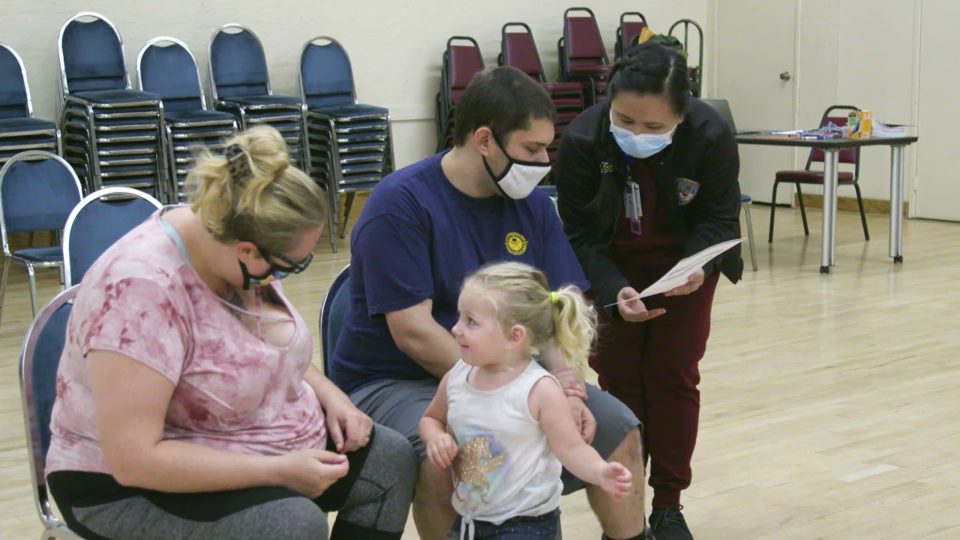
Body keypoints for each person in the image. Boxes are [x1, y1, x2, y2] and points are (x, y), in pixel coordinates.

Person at [45, 126, 416, 540]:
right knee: (291, 525)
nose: (283, 277)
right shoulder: (142, 293)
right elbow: (133, 460)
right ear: (247, 251)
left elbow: (252, 347)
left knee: (390, 462)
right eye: (288, 266)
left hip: (238, 434)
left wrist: (334, 398)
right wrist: (278, 472)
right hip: (120, 484)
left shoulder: (226, 239)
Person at [331, 65, 651, 540]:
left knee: (619, 430)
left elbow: (553, 309)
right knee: (443, 455)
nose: (544, 161)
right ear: (484, 140)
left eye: (547, 147)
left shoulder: (534, 206)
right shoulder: (399, 204)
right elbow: (413, 333)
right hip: (396, 379)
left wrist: (565, 386)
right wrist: (513, 391)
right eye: (531, 149)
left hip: (514, 370)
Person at [553, 43, 743, 540]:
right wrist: (614, 290)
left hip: (685, 271)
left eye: (654, 127)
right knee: (618, 379)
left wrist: (694, 267)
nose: (636, 134)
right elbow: (579, 234)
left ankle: (668, 504)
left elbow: (720, 218)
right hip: (608, 267)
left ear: (682, 114)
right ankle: (627, 505)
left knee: (673, 375)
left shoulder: (711, 135)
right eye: (625, 120)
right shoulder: (581, 140)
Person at [420, 262, 634, 540]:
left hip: (527, 526)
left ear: (515, 336)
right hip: (469, 523)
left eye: (470, 321)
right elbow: (431, 418)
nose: (456, 329)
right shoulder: (458, 375)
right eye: (459, 317)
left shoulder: (539, 390)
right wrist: (435, 436)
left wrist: (600, 472)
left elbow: (571, 449)